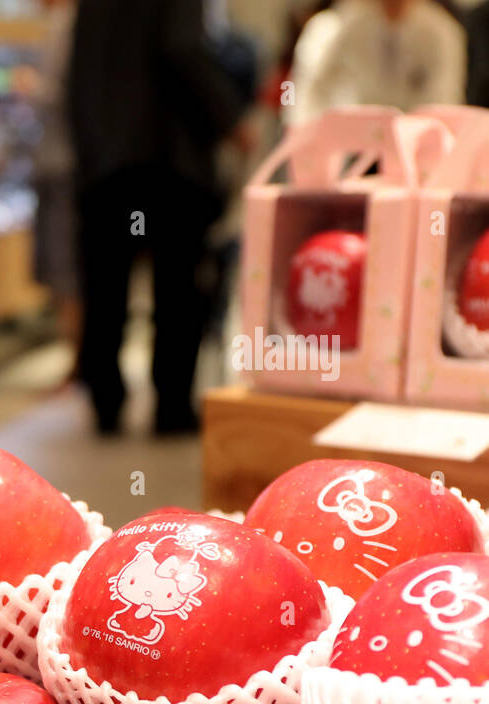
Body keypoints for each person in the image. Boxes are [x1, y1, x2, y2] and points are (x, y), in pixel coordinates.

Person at [68, 0, 248, 436]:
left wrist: (90, 152)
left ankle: (105, 402)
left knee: (105, 288)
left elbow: (77, 76)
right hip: (168, 162)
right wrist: (229, 120)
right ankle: (171, 406)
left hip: (106, 164)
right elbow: (183, 51)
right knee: (178, 292)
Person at [286, 0, 467, 125]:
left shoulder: (442, 34)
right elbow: (301, 95)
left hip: (414, 147)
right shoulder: (331, 28)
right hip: (348, 146)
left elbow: (446, 102)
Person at [30, 0, 82, 359]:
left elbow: (55, 91)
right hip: (57, 163)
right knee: (63, 269)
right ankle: (77, 362)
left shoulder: (69, 24)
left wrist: (28, 85)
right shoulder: (59, 24)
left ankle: (77, 362)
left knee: (67, 269)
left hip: (63, 164)